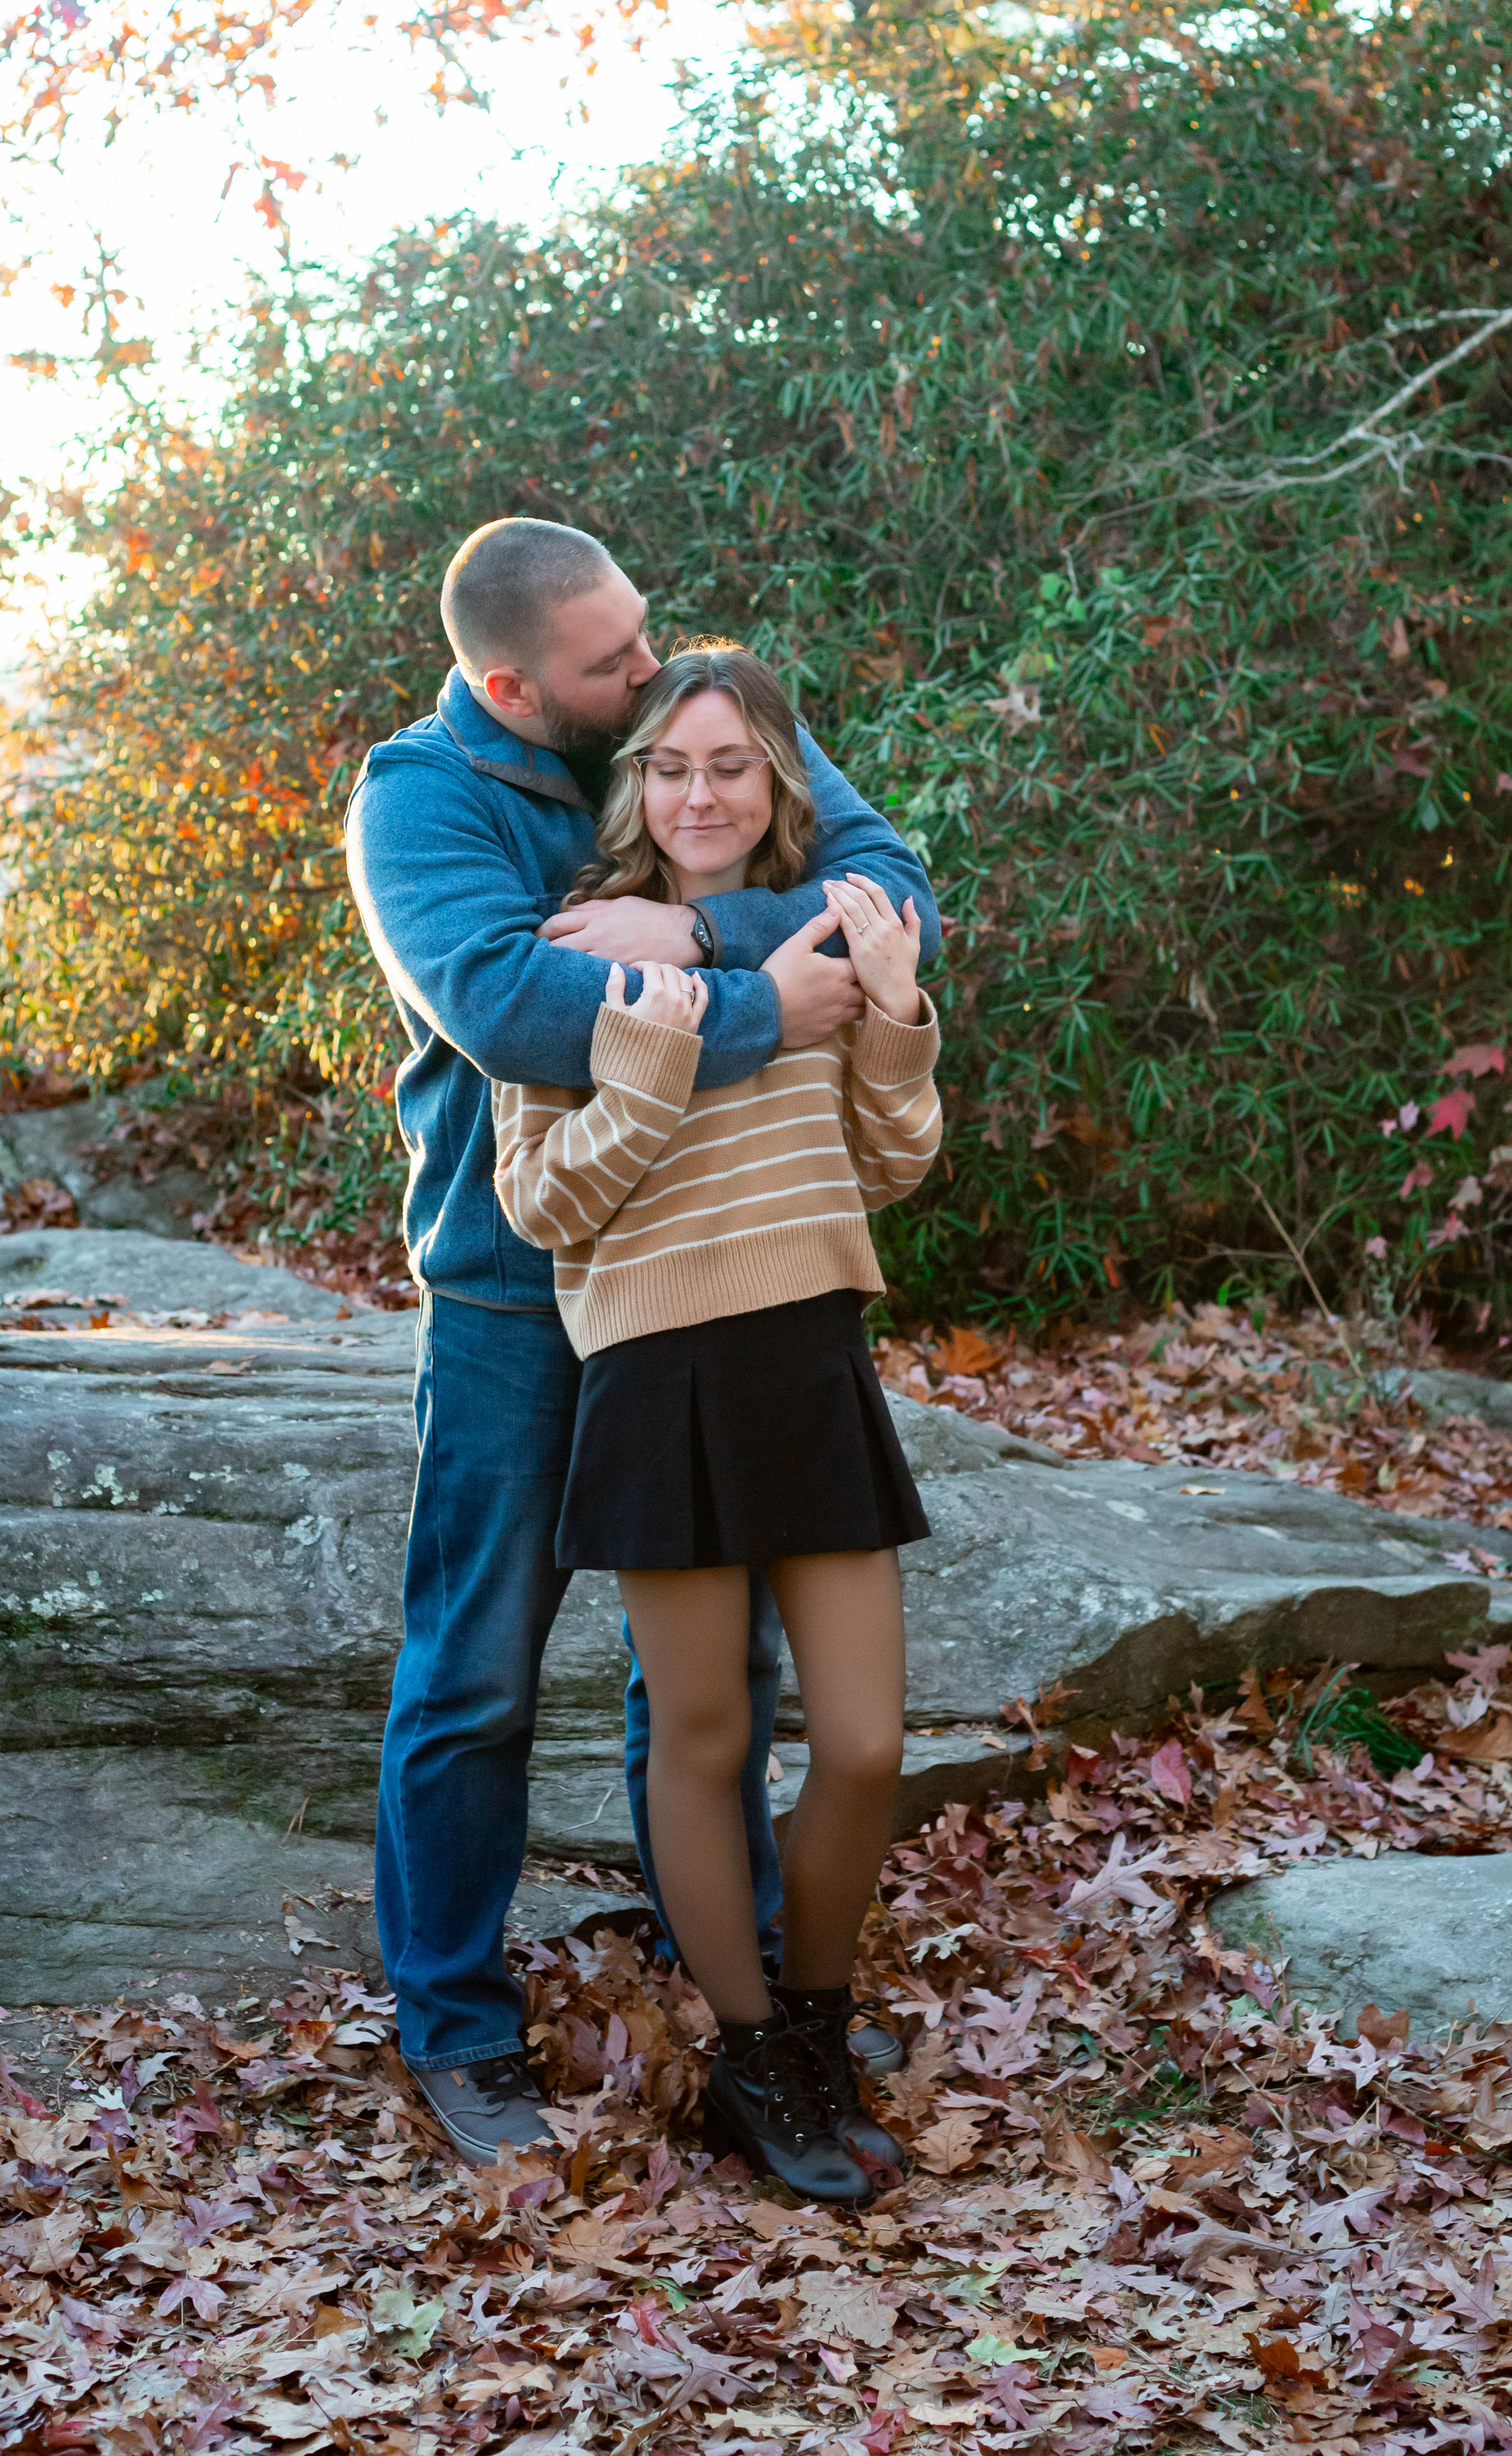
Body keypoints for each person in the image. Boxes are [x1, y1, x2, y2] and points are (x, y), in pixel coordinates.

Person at [347, 518, 941, 2165]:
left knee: (715, 1680)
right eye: (612, 662)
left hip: (728, 1284)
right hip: (509, 1281)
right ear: (510, 685)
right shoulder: (420, 798)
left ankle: (733, 1985)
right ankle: (458, 2028)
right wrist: (773, 1006)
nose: (647, 669)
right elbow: (516, 1009)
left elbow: (895, 898)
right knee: (475, 1667)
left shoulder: (686, 708)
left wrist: (692, 943)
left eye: (644, 636)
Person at [491, 643, 941, 2204]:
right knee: (701, 1737)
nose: (697, 792)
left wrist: (887, 1019)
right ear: (637, 783)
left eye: (729, 766)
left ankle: (815, 2022)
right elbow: (541, 1199)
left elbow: (890, 1161)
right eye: (670, 766)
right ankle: (756, 2062)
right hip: (657, 1367)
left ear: (776, 781)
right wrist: (654, 1052)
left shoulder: (829, 930)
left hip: (809, 1352)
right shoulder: (572, 949)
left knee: (867, 1744)